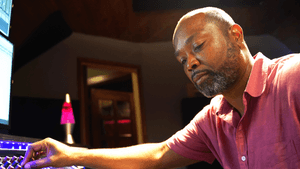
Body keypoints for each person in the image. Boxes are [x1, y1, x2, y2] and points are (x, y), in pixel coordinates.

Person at [21, 7, 300, 169]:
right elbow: (159, 154)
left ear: (235, 36)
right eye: (182, 60)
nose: (190, 63)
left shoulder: (292, 77)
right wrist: (72, 155)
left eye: (198, 46)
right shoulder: (212, 119)